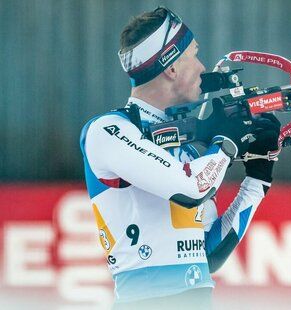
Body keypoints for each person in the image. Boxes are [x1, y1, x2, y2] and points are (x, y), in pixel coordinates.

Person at [79, 7, 280, 309]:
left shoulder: (184, 149)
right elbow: (190, 188)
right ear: (170, 68)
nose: (201, 67)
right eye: (194, 55)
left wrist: (258, 176)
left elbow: (208, 255)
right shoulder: (108, 130)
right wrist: (226, 141)